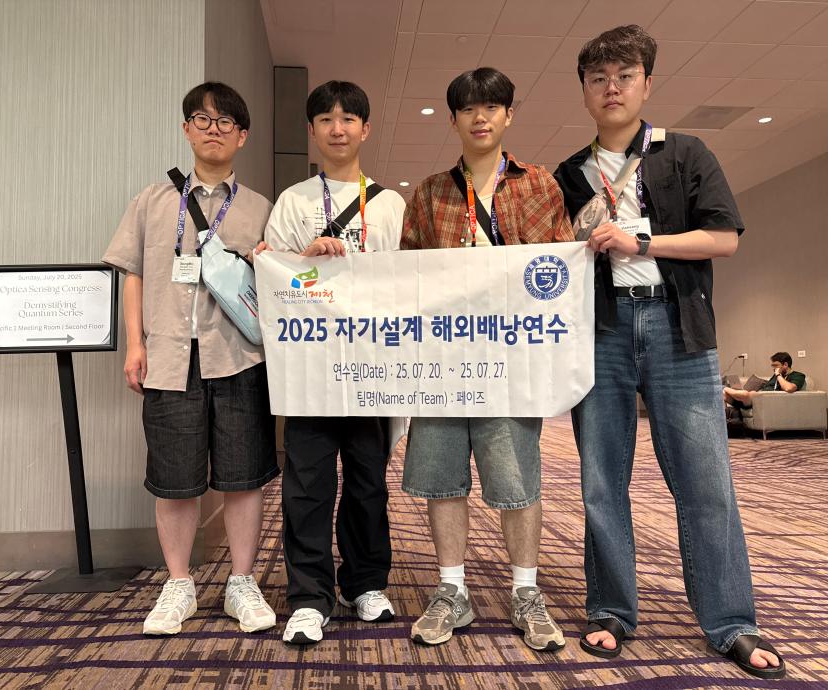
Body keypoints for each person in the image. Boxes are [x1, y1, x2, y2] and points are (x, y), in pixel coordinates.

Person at [553, 25, 786, 679]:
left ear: (647, 84)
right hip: (600, 332)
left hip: (677, 328)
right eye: (598, 79)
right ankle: (610, 611)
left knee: (706, 483)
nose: (612, 88)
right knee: (602, 483)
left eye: (625, 76)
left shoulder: (685, 152)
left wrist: (642, 242)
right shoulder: (567, 174)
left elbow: (725, 238)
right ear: (584, 91)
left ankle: (731, 621)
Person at [400, 67, 574, 651]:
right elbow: (406, 275)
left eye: (492, 107)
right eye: (468, 109)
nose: (480, 117)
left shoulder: (539, 185)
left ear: (508, 115)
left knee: (517, 480)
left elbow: (559, 271)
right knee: (443, 480)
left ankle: (526, 591)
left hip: (511, 362)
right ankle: (452, 590)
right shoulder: (429, 193)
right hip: (443, 362)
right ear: (453, 119)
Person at [102, 82, 278, 637]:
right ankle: (178, 584)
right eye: (202, 119)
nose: (213, 129)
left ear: (242, 136)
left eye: (226, 122)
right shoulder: (152, 201)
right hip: (169, 357)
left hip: (240, 358)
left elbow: (279, 284)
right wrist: (135, 344)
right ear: (186, 129)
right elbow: (133, 274)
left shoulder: (259, 208)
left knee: (243, 476)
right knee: (174, 479)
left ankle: (242, 582)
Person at [264, 80, 405, 645]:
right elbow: (276, 282)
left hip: (371, 366)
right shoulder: (293, 201)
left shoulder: (390, 204)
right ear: (312, 130)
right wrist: (307, 259)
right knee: (307, 486)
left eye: (349, 119)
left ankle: (365, 583)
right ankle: (308, 595)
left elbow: (405, 284)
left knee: (369, 483)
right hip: (311, 368)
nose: (338, 128)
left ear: (366, 129)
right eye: (326, 119)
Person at [724, 352, 806, 408]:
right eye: (773, 366)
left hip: (766, 400)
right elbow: (767, 387)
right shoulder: (776, 375)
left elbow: (789, 388)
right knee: (723, 395)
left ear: (785, 364)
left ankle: (723, 387)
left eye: (776, 365)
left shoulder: (798, 376)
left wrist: (778, 375)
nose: (774, 368)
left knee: (744, 394)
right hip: (757, 397)